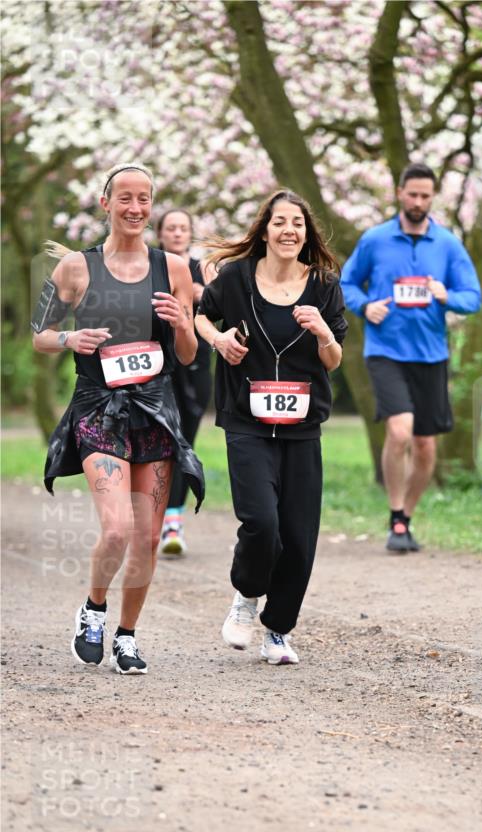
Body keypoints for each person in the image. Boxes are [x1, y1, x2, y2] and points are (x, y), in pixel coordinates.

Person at [33, 162, 205, 675]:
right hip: (98, 409)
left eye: (144, 199)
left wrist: (181, 324)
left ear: (152, 206)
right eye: (124, 198)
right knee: (117, 529)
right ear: (105, 203)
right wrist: (69, 338)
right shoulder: (75, 269)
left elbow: (190, 354)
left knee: (149, 537)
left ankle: (127, 636)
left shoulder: (174, 269)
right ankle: (94, 608)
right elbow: (39, 334)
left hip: (155, 409)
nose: (135, 208)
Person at [195, 189, 346, 665]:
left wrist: (322, 331)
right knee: (262, 523)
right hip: (247, 420)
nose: (288, 231)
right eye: (279, 222)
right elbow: (201, 316)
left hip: (302, 425)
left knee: (299, 537)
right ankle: (246, 597)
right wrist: (219, 340)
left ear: (307, 233)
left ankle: (277, 630)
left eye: (297, 224)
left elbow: (334, 359)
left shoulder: (323, 284)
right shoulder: (237, 278)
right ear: (264, 230)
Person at [341, 163, 482, 553]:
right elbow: (347, 283)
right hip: (385, 351)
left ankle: (406, 518)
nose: (418, 201)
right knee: (399, 432)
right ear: (400, 192)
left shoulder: (448, 244)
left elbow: (473, 296)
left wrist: (445, 296)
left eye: (425, 195)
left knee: (425, 447)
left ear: (432, 197)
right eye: (412, 194)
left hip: (431, 354)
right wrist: (365, 307)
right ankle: (394, 513)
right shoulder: (375, 239)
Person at [155, 209, 212, 556]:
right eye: (171, 228)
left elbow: (220, 311)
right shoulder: (150, 266)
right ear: (160, 234)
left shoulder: (204, 269)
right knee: (157, 442)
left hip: (195, 365)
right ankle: (156, 518)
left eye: (183, 228)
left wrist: (202, 293)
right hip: (156, 366)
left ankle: (172, 520)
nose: (177, 233)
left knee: (183, 443)